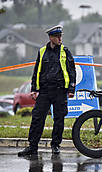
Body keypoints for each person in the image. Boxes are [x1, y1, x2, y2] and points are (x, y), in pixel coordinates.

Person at [18, 25, 76, 157]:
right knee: (37, 118)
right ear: (51, 37)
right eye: (57, 36)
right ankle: (32, 147)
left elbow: (72, 71)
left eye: (61, 36)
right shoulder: (42, 51)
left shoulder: (65, 51)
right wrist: (34, 89)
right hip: (44, 91)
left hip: (60, 91)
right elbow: (37, 71)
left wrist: (71, 88)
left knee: (59, 119)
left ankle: (55, 145)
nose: (60, 38)